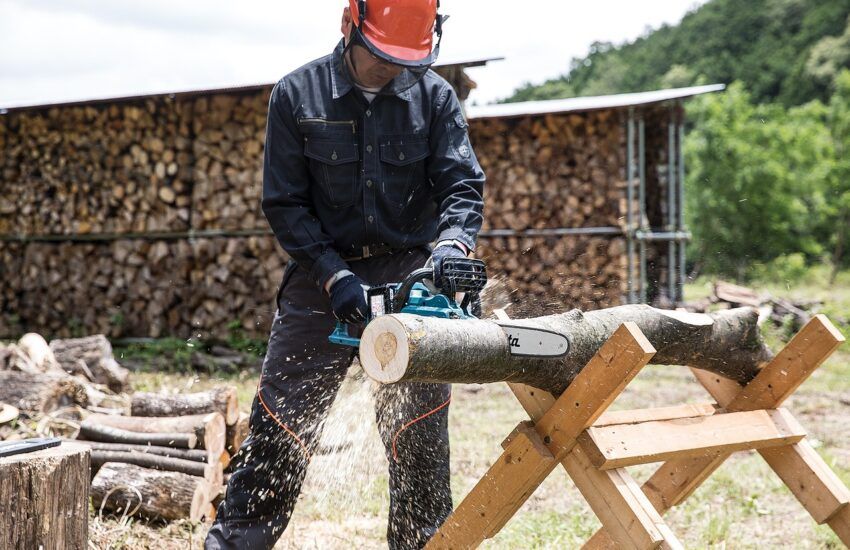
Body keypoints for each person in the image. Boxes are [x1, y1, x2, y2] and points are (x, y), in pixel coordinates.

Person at [205, 0, 485, 548]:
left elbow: (461, 185)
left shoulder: (435, 97)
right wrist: (335, 278)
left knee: (419, 440)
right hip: (321, 274)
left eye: (404, 58)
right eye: (381, 55)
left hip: (411, 270)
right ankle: (236, 541)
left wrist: (452, 245)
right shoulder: (296, 94)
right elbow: (284, 204)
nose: (391, 67)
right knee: (280, 430)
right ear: (348, 24)